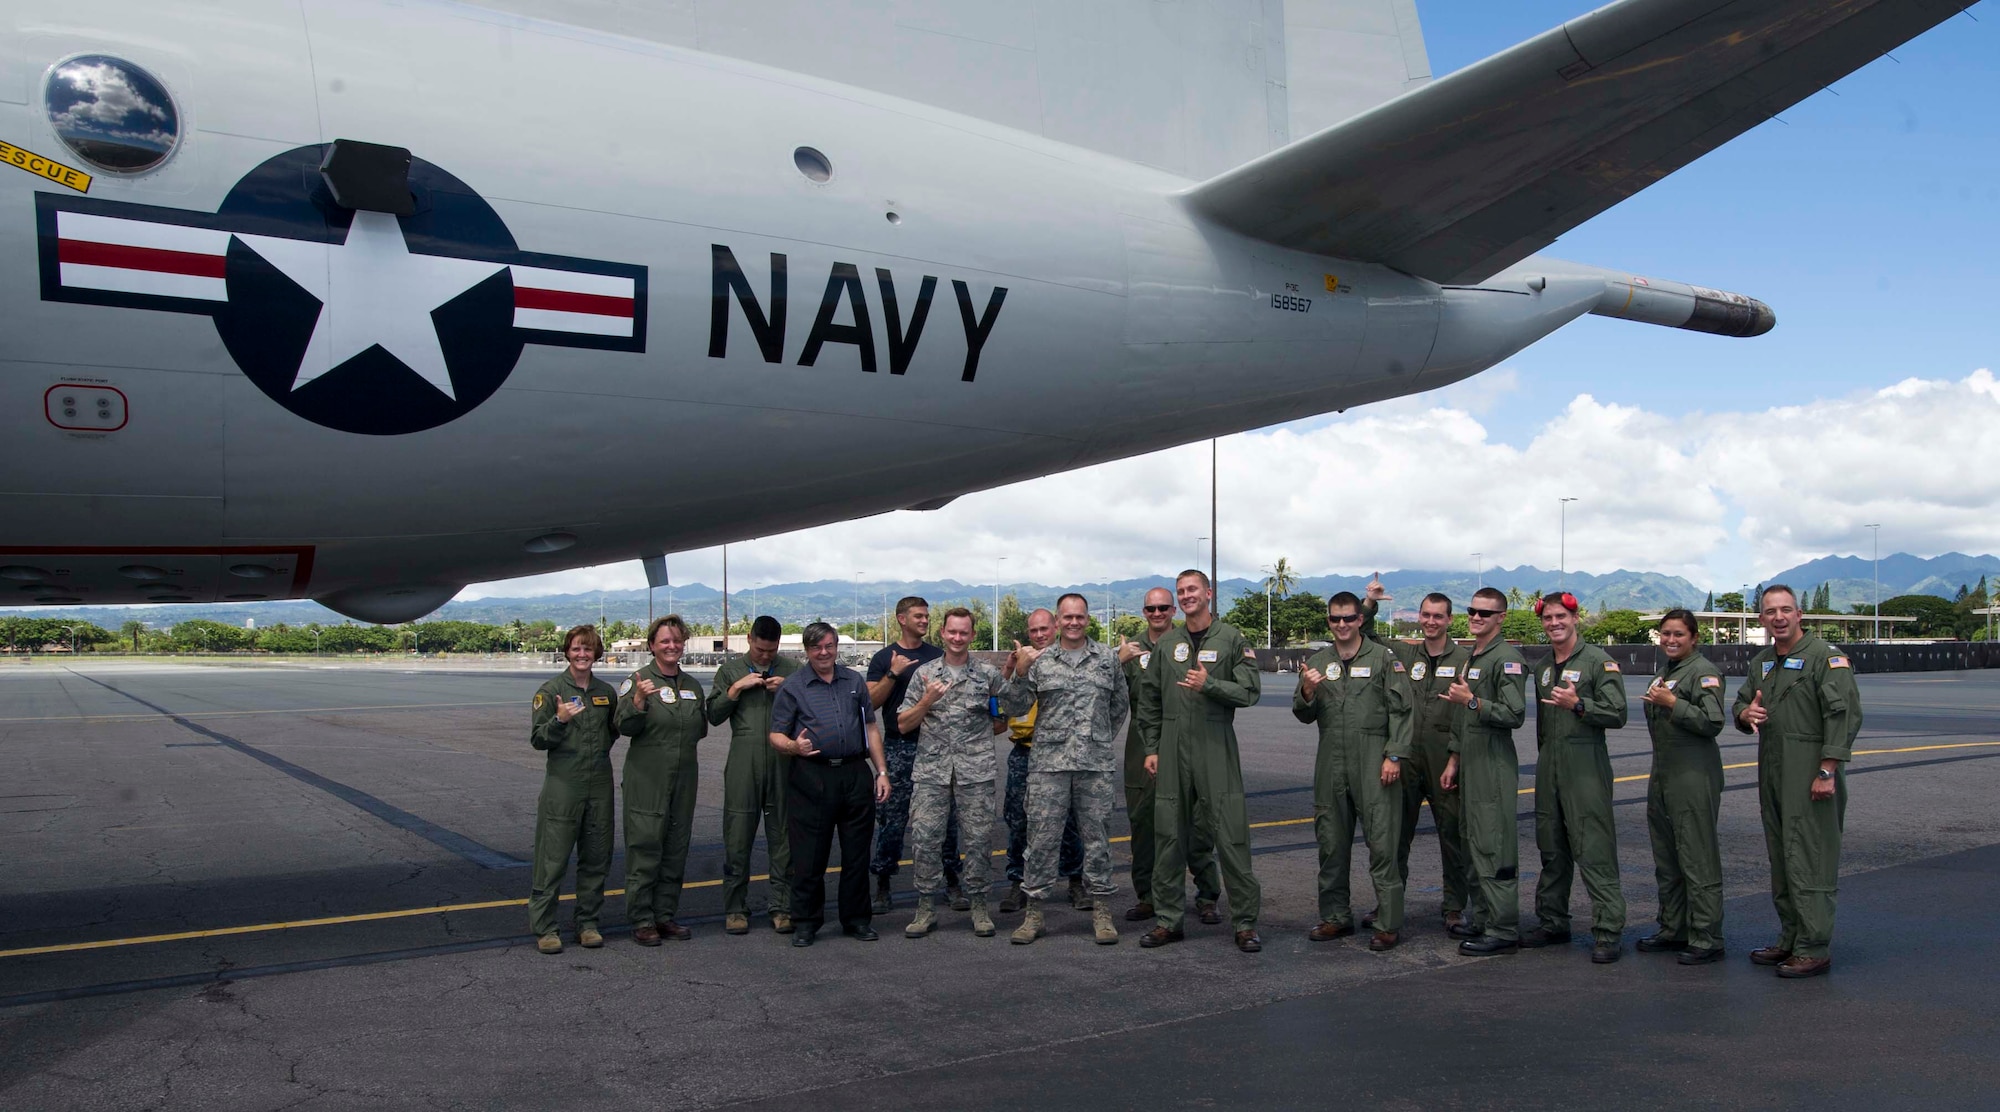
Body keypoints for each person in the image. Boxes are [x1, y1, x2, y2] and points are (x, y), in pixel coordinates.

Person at [1732, 584, 1860, 979]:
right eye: (1771, 612)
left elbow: (1843, 717)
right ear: (1761, 620)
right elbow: (1739, 703)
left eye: (1786, 609)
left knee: (1811, 857)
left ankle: (1813, 947)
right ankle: (1790, 936)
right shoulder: (1763, 661)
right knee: (1782, 857)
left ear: (1800, 614)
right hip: (1772, 769)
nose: (1779, 617)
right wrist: (1744, 714)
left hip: (1809, 770)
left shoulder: (1826, 658)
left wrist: (1827, 770)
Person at [1136, 569, 1264, 953]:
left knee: (1230, 834)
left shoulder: (1231, 638)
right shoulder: (1168, 643)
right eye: (1181, 591)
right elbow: (1150, 700)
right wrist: (1153, 747)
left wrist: (1210, 684)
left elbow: (1250, 691)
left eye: (1192, 589)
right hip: (1173, 746)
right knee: (1169, 836)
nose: (1187, 596)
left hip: (1215, 742)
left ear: (1208, 593)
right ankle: (1168, 920)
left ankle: (1244, 924)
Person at [1000, 593, 1130, 945]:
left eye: (1080, 617)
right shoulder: (1041, 661)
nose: (1074, 623)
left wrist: (1097, 738)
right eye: (1067, 617)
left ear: (1088, 619)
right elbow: (1013, 705)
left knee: (1098, 841)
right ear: (1057, 622)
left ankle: (1102, 912)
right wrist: (1020, 672)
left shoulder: (1105, 659)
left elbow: (1119, 704)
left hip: (1094, 767)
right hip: (1048, 769)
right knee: (1040, 841)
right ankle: (1034, 914)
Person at [1294, 592, 1414, 951]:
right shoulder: (1319, 660)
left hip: (1373, 759)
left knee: (1382, 844)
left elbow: (1402, 711)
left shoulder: (1382, 659)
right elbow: (1303, 713)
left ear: (1360, 619)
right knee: (1331, 843)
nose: (1342, 625)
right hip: (1331, 760)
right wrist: (1307, 690)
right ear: (1328, 622)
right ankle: (1335, 917)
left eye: (1348, 618)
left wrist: (1393, 755)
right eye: (1335, 619)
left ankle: (1388, 923)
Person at [769, 623, 892, 947]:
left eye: (829, 646)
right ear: (806, 651)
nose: (823, 652)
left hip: (854, 773)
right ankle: (806, 922)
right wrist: (794, 747)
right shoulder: (793, 686)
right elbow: (776, 734)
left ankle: (856, 919)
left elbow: (871, 727)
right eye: (816, 648)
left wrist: (881, 771)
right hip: (812, 774)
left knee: (856, 854)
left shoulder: (854, 681)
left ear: (836, 647)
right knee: (809, 856)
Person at [1524, 591, 1629, 964]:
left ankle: (1607, 930)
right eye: (1548, 618)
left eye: (1560, 617)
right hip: (1549, 763)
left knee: (1594, 848)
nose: (1554, 623)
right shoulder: (1542, 667)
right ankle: (1553, 921)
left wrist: (1579, 704)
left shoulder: (1599, 662)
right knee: (1551, 847)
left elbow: (1618, 713)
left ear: (1575, 618)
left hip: (1585, 765)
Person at [896, 607, 1005, 938]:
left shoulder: (988, 675)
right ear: (942, 633)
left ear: (972, 635)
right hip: (932, 771)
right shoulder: (924, 674)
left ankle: (979, 906)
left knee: (979, 840)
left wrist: (977, 739)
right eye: (952, 632)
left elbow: (1002, 718)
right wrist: (926, 701)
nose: (958, 638)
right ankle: (926, 907)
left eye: (964, 633)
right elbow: (903, 724)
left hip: (976, 771)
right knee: (926, 839)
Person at [1120, 586, 1222, 925]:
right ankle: (1149, 896)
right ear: (1143, 612)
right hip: (1143, 744)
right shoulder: (1129, 649)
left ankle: (1207, 896)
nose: (1158, 614)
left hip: (1186, 739)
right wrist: (1115, 664)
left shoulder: (1189, 644)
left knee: (1198, 823)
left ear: (1174, 610)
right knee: (1144, 823)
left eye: (1164, 607)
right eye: (1151, 609)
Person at [1440, 588, 1529, 956]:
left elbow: (1515, 714)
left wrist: (1473, 701)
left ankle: (1503, 927)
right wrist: (1453, 760)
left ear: (1501, 618)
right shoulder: (1473, 656)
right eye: (1473, 611)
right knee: (1471, 840)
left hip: (1493, 761)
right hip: (1471, 760)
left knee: (1493, 844)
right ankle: (1481, 918)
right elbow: (1462, 718)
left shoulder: (1507, 658)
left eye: (1485, 613)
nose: (1476, 617)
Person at [1638, 608, 1728, 965]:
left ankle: (1707, 936)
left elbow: (1712, 721)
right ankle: (1674, 927)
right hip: (1663, 773)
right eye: (1666, 634)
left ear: (1694, 638)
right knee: (1667, 856)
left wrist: (1673, 703)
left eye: (1678, 634)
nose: (1671, 640)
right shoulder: (1666, 672)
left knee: (1697, 855)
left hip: (1693, 775)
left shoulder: (1703, 672)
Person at [526, 624, 622, 954]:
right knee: (552, 859)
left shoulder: (606, 693)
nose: (583, 654)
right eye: (577, 648)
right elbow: (538, 739)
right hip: (563, 785)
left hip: (599, 783)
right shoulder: (550, 690)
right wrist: (560, 719)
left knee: (597, 856)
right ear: (567, 651)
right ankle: (545, 927)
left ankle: (588, 923)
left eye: (589, 649)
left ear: (597, 653)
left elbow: (613, 733)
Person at [1382, 593, 1475, 933]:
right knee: (1395, 834)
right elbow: (1368, 634)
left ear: (1451, 620)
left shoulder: (1465, 658)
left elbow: (1467, 716)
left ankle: (1454, 906)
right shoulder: (1407, 653)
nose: (1431, 621)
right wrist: (1369, 602)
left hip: (1444, 757)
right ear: (1418, 617)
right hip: (1407, 756)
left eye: (1438, 616)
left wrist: (1456, 757)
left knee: (1452, 835)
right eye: (1426, 615)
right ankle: (1389, 902)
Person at [707, 615, 802, 935]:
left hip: (783, 761)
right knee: (737, 837)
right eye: (761, 650)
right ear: (749, 639)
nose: (765, 656)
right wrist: (735, 689)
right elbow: (714, 715)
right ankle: (735, 908)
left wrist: (788, 690)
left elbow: (813, 710)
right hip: (743, 764)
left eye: (771, 650)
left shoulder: (792, 670)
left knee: (784, 839)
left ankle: (781, 906)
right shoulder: (730, 670)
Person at [616, 615, 708, 944]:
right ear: (652, 645)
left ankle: (665, 915)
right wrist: (639, 700)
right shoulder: (638, 680)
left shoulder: (692, 686)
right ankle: (642, 919)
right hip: (648, 778)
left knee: (675, 847)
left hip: (684, 778)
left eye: (677, 640)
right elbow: (623, 726)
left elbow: (700, 729)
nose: (672, 646)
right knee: (645, 847)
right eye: (664, 641)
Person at [867, 597, 961, 914]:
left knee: (945, 821)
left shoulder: (938, 656)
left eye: (926, 615)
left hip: (935, 748)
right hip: (899, 747)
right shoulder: (884, 658)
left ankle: (951, 881)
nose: (924, 620)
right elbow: (870, 703)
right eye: (918, 616)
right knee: (892, 821)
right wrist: (892, 674)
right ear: (901, 619)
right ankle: (882, 884)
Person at [999, 607, 1084, 913]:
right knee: (1019, 820)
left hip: (1062, 752)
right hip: (1025, 751)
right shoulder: (1023, 662)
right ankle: (1017, 881)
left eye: (1044, 629)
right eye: (1033, 630)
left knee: (1071, 820)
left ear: (1056, 627)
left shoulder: (1068, 661)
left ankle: (1076, 880)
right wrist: (1010, 671)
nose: (1038, 635)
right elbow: (1001, 707)